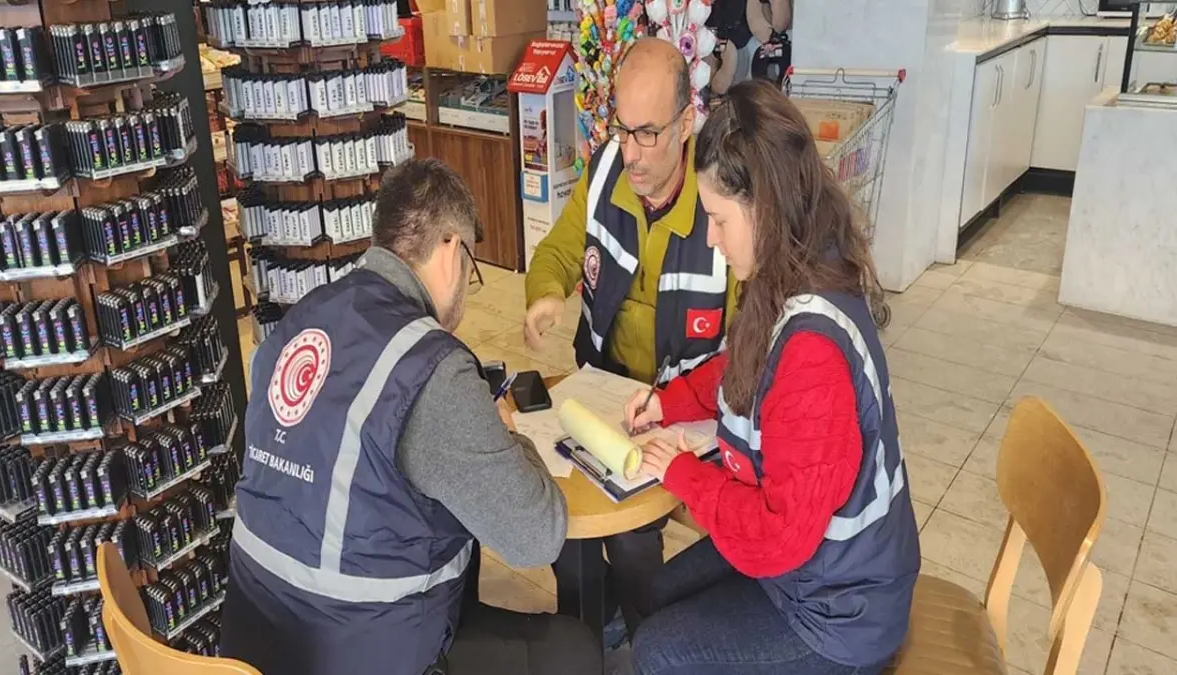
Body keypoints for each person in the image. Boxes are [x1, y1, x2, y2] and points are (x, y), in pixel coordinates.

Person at [219, 159, 601, 675]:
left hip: (255, 643)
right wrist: (510, 437)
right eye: (471, 267)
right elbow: (536, 536)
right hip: (356, 650)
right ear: (450, 249)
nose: (467, 286)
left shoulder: (297, 322)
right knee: (573, 651)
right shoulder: (429, 364)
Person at [621, 79, 919, 674]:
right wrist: (669, 402)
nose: (711, 237)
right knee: (649, 599)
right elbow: (746, 365)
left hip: (838, 615)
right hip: (811, 573)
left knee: (657, 652)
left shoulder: (813, 353)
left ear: (766, 207)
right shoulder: (794, 265)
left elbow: (778, 537)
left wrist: (683, 474)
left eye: (718, 219)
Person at [522, 37, 741, 639]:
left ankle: (642, 634)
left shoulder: (720, 203)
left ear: (687, 122)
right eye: (622, 129)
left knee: (631, 531)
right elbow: (560, 251)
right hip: (602, 383)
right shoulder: (602, 174)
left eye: (648, 133)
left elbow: (749, 344)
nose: (632, 152)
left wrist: (681, 405)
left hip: (688, 407)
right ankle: (585, 628)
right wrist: (545, 291)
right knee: (562, 511)